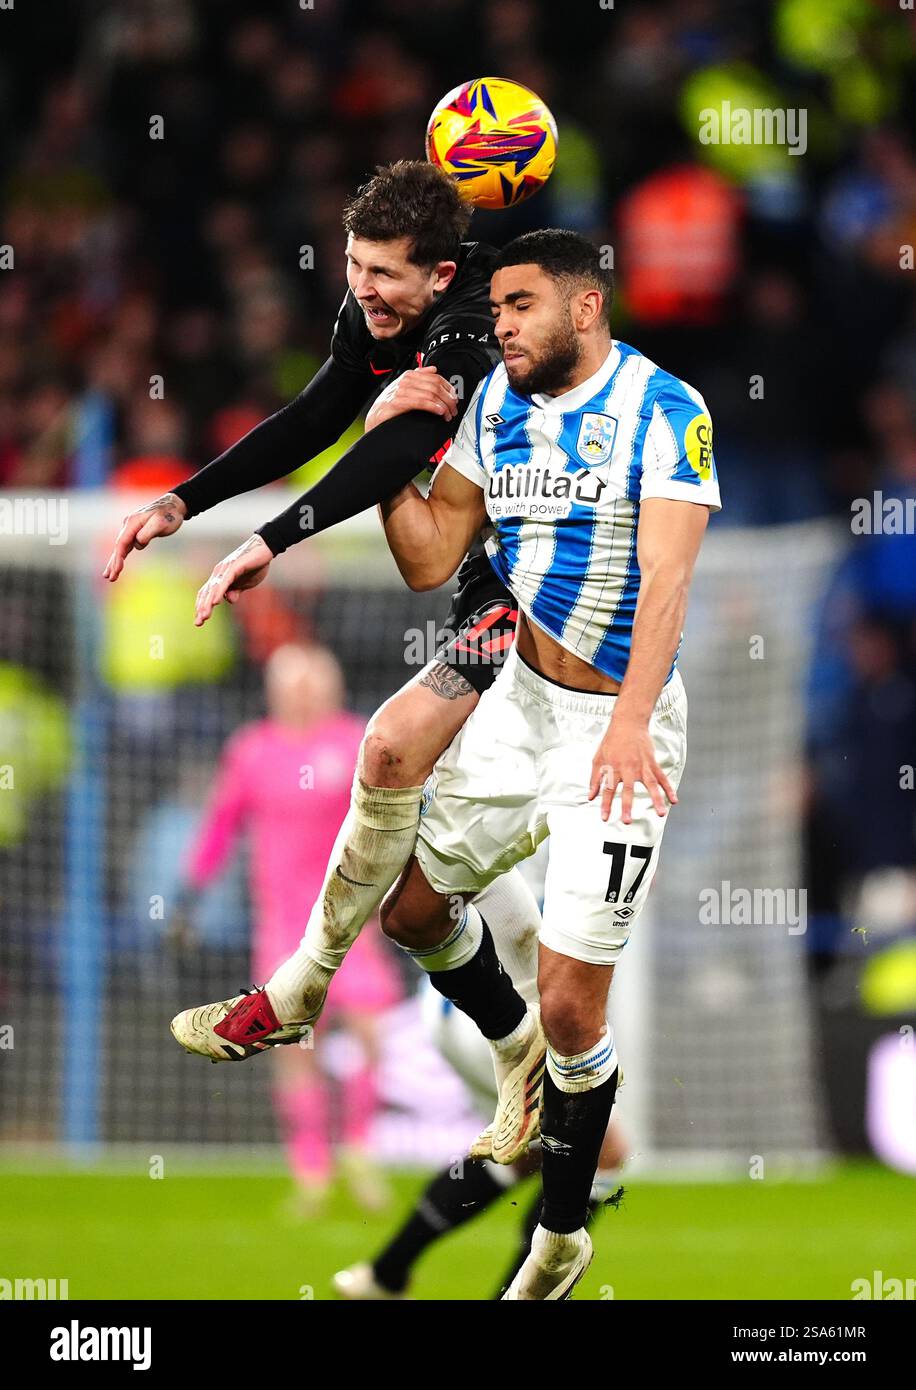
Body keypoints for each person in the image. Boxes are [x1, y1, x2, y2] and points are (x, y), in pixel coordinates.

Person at [102, 162, 534, 1092]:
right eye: (353, 265)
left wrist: (275, 537)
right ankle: (528, 1072)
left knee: (391, 764)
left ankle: (306, 993)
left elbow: (405, 444)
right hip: (477, 588)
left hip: (548, 604)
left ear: (442, 277)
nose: (362, 289)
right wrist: (189, 498)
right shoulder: (374, 316)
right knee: (432, 893)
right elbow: (320, 419)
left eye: (384, 274)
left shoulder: (483, 321)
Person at [371, 230, 720, 1298]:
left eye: (519, 304)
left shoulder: (669, 408)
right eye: (496, 306)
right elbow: (432, 555)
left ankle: (560, 1235)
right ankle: (516, 1062)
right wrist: (387, 455)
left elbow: (665, 581)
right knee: (410, 910)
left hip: (621, 729)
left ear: (585, 306)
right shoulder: (497, 406)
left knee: (577, 1005)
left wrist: (623, 721)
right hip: (519, 707)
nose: (500, 325)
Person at [331, 866, 629, 1300]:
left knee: (530, 1153)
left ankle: (385, 1273)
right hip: (506, 1010)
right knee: (600, 1154)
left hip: (453, 996)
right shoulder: (598, 827)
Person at [180, 642, 401, 1212]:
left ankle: (358, 1145)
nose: (304, 694)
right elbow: (220, 827)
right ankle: (311, 1168)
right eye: (293, 684)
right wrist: (187, 897)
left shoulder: (356, 740)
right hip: (282, 928)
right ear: (275, 691)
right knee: (294, 1044)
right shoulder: (252, 752)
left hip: (349, 919)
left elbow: (392, 818)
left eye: (313, 683)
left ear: (330, 687)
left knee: (373, 1031)